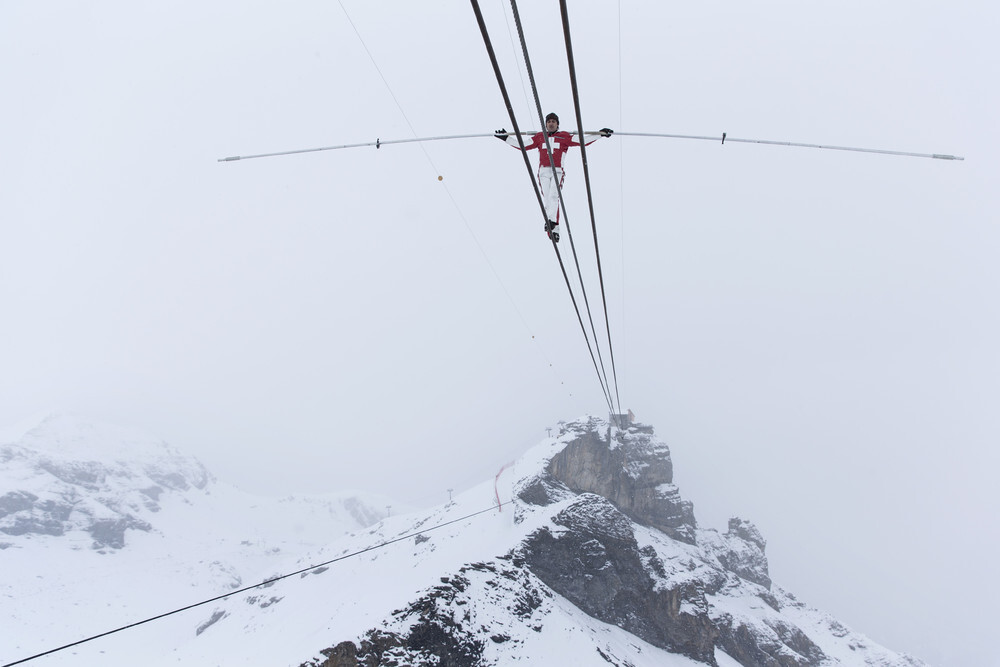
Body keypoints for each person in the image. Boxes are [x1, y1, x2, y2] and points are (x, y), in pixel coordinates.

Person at [495, 113, 613, 242]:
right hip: (543, 172)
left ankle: (552, 223)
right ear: (545, 124)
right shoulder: (540, 137)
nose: (551, 123)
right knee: (547, 199)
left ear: (557, 124)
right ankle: (553, 229)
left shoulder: (564, 136)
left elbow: (582, 141)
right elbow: (523, 146)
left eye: (553, 121)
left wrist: (600, 134)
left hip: (557, 171)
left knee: (553, 196)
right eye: (549, 121)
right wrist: (506, 138)